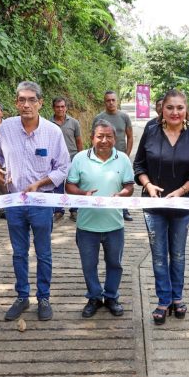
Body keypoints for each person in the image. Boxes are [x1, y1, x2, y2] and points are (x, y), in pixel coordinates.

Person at [0, 81, 70, 322]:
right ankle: (22, 297)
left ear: (40, 103)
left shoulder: (52, 132)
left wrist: (40, 183)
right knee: (18, 252)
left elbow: (63, 167)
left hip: (41, 202)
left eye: (31, 100)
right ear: (16, 103)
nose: (26, 104)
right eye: (21, 100)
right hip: (14, 202)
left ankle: (43, 298)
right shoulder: (6, 128)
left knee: (43, 252)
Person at [134, 89, 189, 325]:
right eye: (170, 107)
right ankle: (163, 300)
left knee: (177, 254)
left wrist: (182, 190)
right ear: (162, 110)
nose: (175, 112)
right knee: (158, 255)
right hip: (153, 205)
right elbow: (138, 165)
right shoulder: (151, 130)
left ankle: (177, 297)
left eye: (179, 108)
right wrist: (148, 185)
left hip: (182, 205)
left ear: (186, 110)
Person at [66, 119, 134, 318]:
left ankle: (112, 296)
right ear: (91, 138)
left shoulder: (122, 159)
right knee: (89, 265)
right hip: (86, 226)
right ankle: (94, 297)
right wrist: (82, 193)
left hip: (114, 225)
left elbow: (129, 186)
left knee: (115, 264)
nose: (104, 140)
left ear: (115, 138)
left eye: (109, 136)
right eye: (100, 136)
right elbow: (69, 186)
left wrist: (123, 193)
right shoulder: (79, 159)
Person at [93, 90, 134, 222]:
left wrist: (127, 155)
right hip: (103, 157)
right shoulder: (99, 118)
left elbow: (130, 136)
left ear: (117, 101)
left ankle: (124, 210)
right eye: (108, 100)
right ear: (104, 102)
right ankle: (103, 207)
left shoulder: (124, 117)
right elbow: (94, 137)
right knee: (106, 181)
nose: (111, 103)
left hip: (120, 155)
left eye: (113, 100)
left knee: (124, 183)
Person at [51, 97, 83, 222]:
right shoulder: (48, 123)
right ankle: (58, 211)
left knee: (73, 185)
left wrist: (82, 158)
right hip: (56, 160)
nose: (60, 109)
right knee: (57, 186)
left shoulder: (74, 123)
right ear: (53, 108)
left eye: (62, 106)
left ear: (66, 107)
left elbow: (79, 141)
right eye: (58, 107)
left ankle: (74, 211)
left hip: (73, 158)